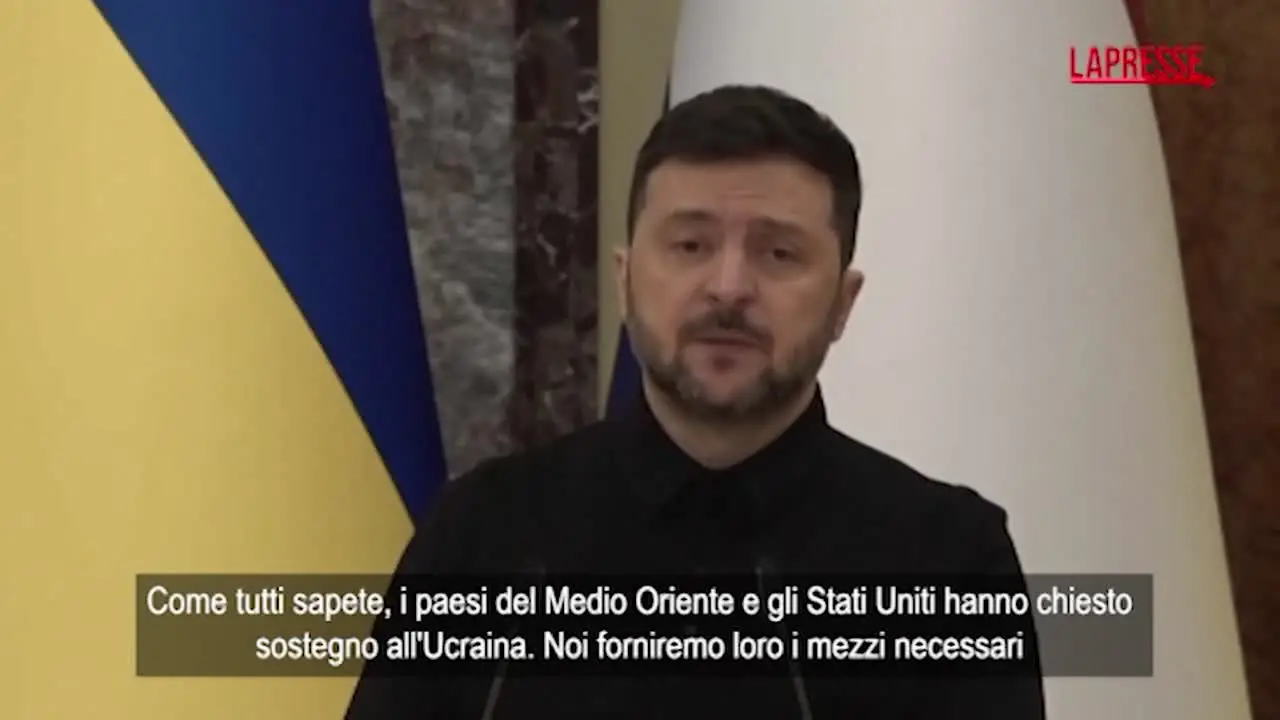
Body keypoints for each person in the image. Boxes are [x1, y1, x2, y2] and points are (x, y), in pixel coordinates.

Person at [345, 84, 1045, 719]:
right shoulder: (484, 533)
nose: (729, 288)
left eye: (778, 254)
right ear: (625, 280)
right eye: (690, 245)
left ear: (843, 302)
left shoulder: (948, 556)